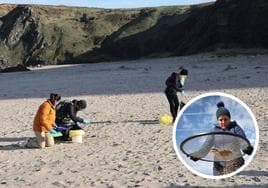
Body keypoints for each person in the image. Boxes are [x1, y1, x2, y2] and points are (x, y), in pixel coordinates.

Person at [189, 102, 254, 175]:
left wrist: (246, 147)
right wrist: (198, 155)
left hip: (236, 163)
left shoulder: (236, 128)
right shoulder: (213, 131)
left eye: (226, 119)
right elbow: (206, 146)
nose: (223, 122)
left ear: (230, 119)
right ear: (217, 120)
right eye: (221, 120)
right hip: (218, 166)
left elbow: (242, 140)